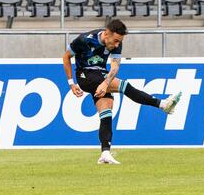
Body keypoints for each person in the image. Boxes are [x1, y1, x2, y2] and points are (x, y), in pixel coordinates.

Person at [62, 19, 182, 164]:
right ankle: (162, 104)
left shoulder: (116, 43)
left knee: (106, 111)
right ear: (106, 34)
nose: (118, 44)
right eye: (116, 41)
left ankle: (105, 153)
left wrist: (105, 83)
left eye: (120, 41)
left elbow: (115, 66)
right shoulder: (84, 40)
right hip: (85, 75)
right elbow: (66, 56)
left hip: (102, 75)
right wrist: (71, 83)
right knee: (124, 86)